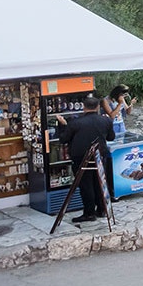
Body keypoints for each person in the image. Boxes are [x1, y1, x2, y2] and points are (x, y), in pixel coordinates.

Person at [59, 94, 115, 224]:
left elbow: (63, 139)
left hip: (81, 158)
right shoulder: (106, 121)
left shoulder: (75, 123)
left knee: (86, 185)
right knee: (99, 183)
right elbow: (111, 137)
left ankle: (89, 213)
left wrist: (63, 125)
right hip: (99, 156)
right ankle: (102, 209)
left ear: (84, 108)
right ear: (98, 107)